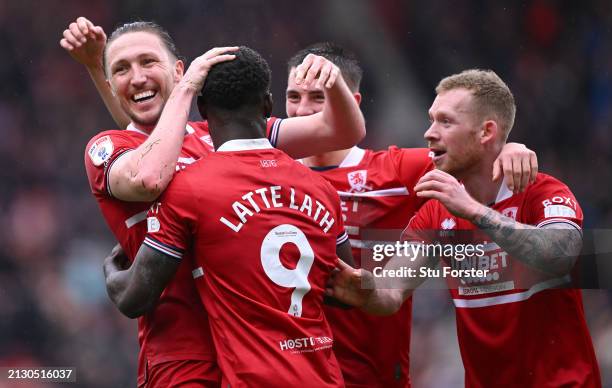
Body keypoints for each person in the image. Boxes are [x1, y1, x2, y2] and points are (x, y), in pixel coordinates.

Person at [61, 17, 365, 387]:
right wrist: (182, 88)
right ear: (112, 85)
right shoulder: (109, 149)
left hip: (258, 350)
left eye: (147, 62)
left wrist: (332, 81)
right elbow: (149, 177)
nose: (137, 77)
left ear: (178, 69)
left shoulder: (220, 133)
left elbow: (343, 131)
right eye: (122, 69)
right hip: (183, 356)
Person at [284, 43, 538, 387]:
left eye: (318, 97)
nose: (301, 111)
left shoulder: (395, 172)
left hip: (369, 378)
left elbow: (472, 155)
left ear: (352, 104)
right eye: (293, 97)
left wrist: (510, 148)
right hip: (286, 374)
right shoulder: (266, 174)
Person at [329, 69, 601, 387]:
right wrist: (363, 289)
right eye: (431, 120)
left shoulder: (543, 193)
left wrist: (472, 210)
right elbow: (391, 291)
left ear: (486, 132)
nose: (430, 132)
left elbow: (561, 254)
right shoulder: (435, 214)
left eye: (445, 122)